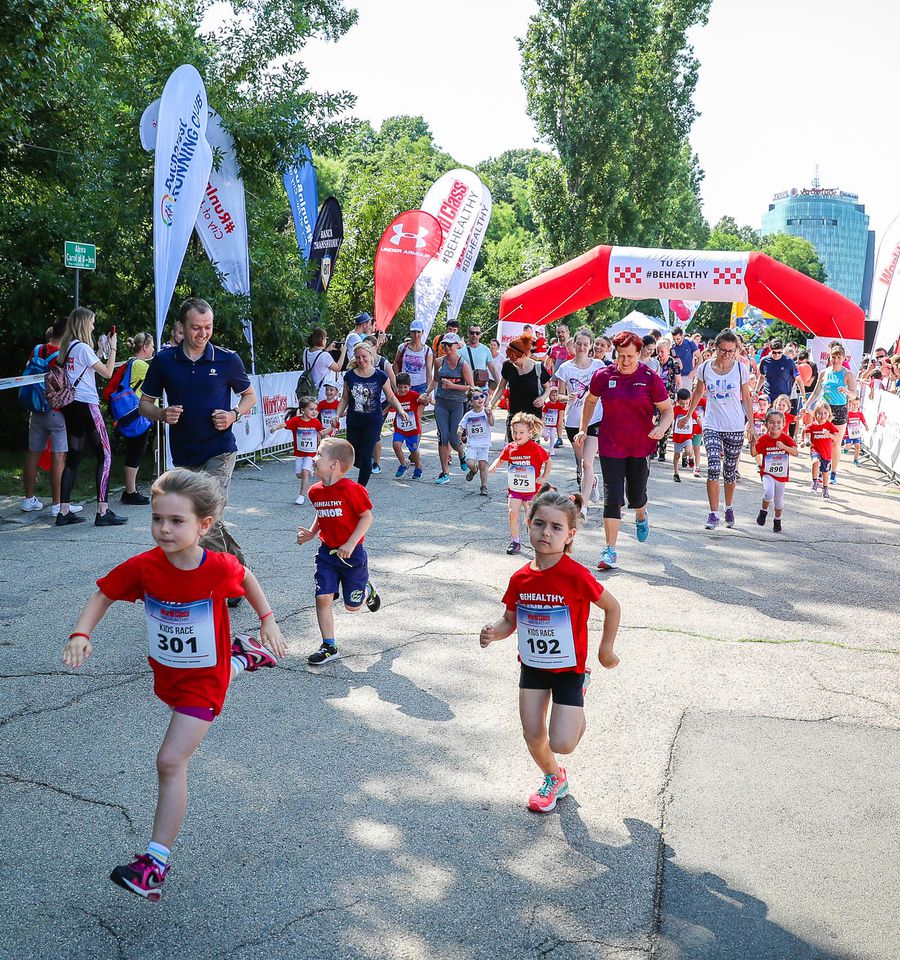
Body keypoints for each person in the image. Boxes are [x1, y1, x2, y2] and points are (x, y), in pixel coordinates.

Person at [62, 468, 285, 900]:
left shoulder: (218, 567)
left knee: (169, 761)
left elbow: (246, 577)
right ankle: (245, 657)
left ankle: (154, 864)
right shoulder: (144, 567)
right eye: (157, 518)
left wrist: (268, 619)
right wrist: (81, 633)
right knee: (213, 682)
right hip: (169, 675)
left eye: (176, 521)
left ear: (204, 526)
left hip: (202, 684)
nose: (163, 529)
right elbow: (104, 594)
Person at [479, 487, 621, 814]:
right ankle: (554, 778)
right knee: (532, 735)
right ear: (527, 524)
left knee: (563, 743)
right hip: (533, 667)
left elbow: (612, 608)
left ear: (569, 536)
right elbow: (509, 621)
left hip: (570, 670)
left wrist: (606, 650)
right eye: (540, 524)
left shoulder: (576, 575)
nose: (546, 533)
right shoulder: (520, 578)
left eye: (556, 528)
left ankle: (579, 695)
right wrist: (492, 633)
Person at [140, 298, 255, 571]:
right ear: (181, 326)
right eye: (196, 328)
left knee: (205, 515)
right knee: (204, 519)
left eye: (208, 327)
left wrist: (233, 415)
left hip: (220, 450)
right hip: (185, 453)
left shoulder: (227, 359)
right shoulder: (164, 360)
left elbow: (249, 396)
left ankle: (220, 581)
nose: (202, 334)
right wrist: (161, 414)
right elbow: (145, 403)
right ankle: (239, 570)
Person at [576, 331, 673, 570]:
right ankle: (610, 550)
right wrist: (583, 428)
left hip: (641, 445)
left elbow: (668, 410)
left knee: (636, 495)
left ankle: (641, 513)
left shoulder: (650, 377)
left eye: (630, 356)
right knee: (613, 497)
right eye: (621, 356)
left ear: (639, 354)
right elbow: (590, 400)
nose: (625, 361)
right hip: (611, 444)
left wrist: (661, 427)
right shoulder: (603, 375)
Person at [296, 438, 382, 665]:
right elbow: (323, 513)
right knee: (322, 597)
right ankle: (329, 645)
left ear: (333, 464)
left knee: (352, 607)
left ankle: (366, 587)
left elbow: (367, 517)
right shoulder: (315, 492)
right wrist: (312, 533)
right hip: (327, 554)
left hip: (352, 556)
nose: (313, 459)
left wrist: (352, 543)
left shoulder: (354, 490)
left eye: (317, 455)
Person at [56, 307, 127, 527]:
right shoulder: (83, 348)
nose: (94, 327)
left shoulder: (67, 348)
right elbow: (106, 373)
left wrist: (98, 350)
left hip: (71, 406)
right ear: (84, 324)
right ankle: (102, 510)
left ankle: (64, 511)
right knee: (105, 455)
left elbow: (84, 369)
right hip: (87, 404)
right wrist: (113, 348)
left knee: (74, 457)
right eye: (92, 323)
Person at [683, 329, 754, 530]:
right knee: (713, 467)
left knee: (729, 471)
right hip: (712, 423)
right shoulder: (705, 367)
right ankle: (713, 513)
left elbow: (746, 399)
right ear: (715, 347)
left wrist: (752, 425)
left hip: (734, 425)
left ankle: (728, 507)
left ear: (736, 350)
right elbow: (697, 392)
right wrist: (688, 415)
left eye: (731, 351)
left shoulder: (740, 369)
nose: (727, 354)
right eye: (723, 350)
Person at [20, 318, 79, 518]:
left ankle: (28, 499)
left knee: (33, 453)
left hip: (36, 409)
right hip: (57, 411)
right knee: (59, 455)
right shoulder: (62, 354)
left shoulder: (38, 349)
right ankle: (57, 504)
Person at [336, 340, 405, 487]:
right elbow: (344, 398)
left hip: (373, 421)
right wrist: (337, 414)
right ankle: (366, 467)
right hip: (354, 421)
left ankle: (361, 489)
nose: (361, 360)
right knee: (354, 456)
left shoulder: (380, 375)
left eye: (364, 356)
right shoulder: (349, 376)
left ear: (370, 356)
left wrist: (400, 409)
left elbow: (391, 396)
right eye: (358, 357)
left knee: (367, 456)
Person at [552, 330, 605, 501]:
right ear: (573, 344)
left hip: (595, 419)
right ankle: (593, 481)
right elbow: (558, 396)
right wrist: (568, 397)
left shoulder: (598, 365)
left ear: (590, 347)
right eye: (579, 343)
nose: (582, 347)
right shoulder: (565, 368)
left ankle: (583, 506)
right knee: (583, 462)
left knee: (587, 463)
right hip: (573, 422)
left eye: (585, 344)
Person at [489, 412, 551, 555]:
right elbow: (501, 458)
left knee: (531, 518)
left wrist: (544, 477)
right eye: (514, 432)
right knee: (512, 513)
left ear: (530, 432)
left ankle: (536, 542)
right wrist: (494, 465)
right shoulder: (510, 447)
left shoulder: (535, 448)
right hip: (515, 489)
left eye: (521, 432)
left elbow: (548, 461)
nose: (517, 435)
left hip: (532, 490)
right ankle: (515, 541)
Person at [805, 343, 857, 485]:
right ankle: (823, 469)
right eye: (833, 357)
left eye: (839, 357)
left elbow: (854, 395)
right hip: (824, 410)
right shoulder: (824, 372)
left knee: (835, 442)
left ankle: (833, 472)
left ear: (844, 358)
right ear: (829, 357)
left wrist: (846, 392)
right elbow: (816, 392)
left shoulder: (847, 374)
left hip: (839, 409)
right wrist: (806, 404)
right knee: (821, 439)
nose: (836, 360)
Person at [271, 396, 330, 505]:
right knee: (299, 475)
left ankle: (301, 496)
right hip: (299, 454)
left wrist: (332, 427)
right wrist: (275, 428)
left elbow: (322, 433)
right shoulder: (296, 421)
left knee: (304, 471)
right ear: (302, 410)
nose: (314, 412)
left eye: (315, 409)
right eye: (311, 409)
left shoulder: (315, 422)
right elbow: (284, 424)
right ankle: (309, 472)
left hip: (311, 453)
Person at [119, 332, 156, 506]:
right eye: (152, 346)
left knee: (134, 451)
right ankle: (130, 491)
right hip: (138, 413)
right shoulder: (140, 364)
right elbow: (159, 377)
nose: (154, 349)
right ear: (145, 347)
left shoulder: (130, 362)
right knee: (136, 451)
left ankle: (130, 490)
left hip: (132, 413)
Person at [432, 332, 474, 485]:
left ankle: (461, 453)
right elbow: (435, 380)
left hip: (457, 404)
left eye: (450, 344)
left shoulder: (463, 364)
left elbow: (471, 387)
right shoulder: (438, 362)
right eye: (445, 344)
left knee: (454, 438)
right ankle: (445, 472)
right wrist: (426, 393)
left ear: (457, 345)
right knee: (442, 436)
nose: (447, 347)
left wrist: (453, 386)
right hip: (441, 403)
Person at [491, 335, 550, 441]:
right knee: (514, 450)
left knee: (532, 451)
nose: (512, 361)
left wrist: (543, 398)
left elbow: (548, 388)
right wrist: (491, 404)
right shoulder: (508, 366)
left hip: (533, 417)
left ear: (524, 355)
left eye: (514, 358)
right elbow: (501, 387)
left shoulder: (538, 367)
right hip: (515, 416)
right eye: (509, 357)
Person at [751, 410, 797, 533]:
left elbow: (795, 452)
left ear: (783, 424)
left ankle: (777, 519)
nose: (775, 425)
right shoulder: (764, 439)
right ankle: (763, 511)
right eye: (771, 422)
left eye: (778, 422)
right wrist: (752, 443)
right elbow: (754, 453)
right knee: (768, 492)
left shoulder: (786, 439)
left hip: (781, 475)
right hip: (767, 473)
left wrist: (784, 447)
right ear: (766, 424)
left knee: (779, 502)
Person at [391, 372, 428, 479]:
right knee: (396, 445)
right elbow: (390, 405)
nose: (402, 390)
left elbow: (424, 403)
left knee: (413, 450)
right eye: (400, 387)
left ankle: (418, 467)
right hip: (400, 428)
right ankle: (403, 464)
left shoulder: (413, 395)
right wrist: (382, 412)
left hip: (412, 429)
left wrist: (424, 399)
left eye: (405, 387)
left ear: (410, 386)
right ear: (396, 386)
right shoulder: (395, 396)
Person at [458, 388, 495, 495]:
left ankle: (484, 486)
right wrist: (459, 430)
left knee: (483, 465)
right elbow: (461, 424)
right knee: (469, 462)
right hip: (472, 444)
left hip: (484, 444)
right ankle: (474, 470)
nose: (479, 399)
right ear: (470, 402)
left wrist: (489, 415)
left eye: (481, 396)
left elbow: (491, 423)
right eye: (476, 397)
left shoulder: (486, 412)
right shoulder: (469, 415)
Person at [757, 339, 805, 410]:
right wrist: (756, 390)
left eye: (779, 352)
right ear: (770, 350)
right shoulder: (765, 361)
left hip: (783, 399)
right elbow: (762, 377)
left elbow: (798, 380)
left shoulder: (789, 362)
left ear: (782, 351)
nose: (777, 355)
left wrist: (803, 396)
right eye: (774, 352)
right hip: (768, 397)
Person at [655, 338, 682, 464]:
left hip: (668, 395)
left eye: (662, 351)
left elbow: (678, 381)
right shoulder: (655, 362)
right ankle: (652, 449)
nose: (660, 354)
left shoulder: (673, 363)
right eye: (658, 351)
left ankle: (662, 450)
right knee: (654, 421)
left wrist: (679, 396)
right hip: (654, 395)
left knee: (665, 423)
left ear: (668, 351)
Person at [803, 402, 839, 498]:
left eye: (825, 413)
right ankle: (814, 482)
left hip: (826, 453)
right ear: (815, 414)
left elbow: (837, 438)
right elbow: (804, 430)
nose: (822, 416)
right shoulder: (813, 425)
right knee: (815, 462)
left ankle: (825, 488)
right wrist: (805, 440)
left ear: (829, 414)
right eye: (820, 413)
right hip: (815, 450)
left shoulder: (829, 426)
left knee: (825, 472)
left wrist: (829, 435)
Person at [302, 328, 348, 400]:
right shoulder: (325, 355)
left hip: (309, 391)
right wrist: (343, 352)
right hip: (323, 393)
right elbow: (337, 368)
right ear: (321, 339)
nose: (326, 341)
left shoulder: (306, 351)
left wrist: (326, 350)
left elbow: (317, 359)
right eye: (325, 338)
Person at [393, 320, 434, 395]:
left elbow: (429, 371)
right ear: (410, 333)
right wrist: (397, 378)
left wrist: (428, 390)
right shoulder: (403, 347)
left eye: (418, 332)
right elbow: (395, 362)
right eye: (413, 332)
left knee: (419, 406)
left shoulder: (427, 350)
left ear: (422, 333)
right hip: (404, 385)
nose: (416, 335)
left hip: (421, 385)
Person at [670, 388, 698, 483]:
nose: (684, 406)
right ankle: (676, 473)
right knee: (676, 455)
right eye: (682, 403)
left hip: (687, 436)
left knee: (689, 450)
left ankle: (687, 456)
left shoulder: (691, 410)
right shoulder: (675, 410)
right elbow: (669, 418)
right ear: (678, 401)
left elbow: (697, 419)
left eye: (687, 403)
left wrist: (704, 429)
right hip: (678, 436)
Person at [462, 323, 498, 393]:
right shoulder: (460, 350)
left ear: (480, 335)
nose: (474, 335)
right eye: (472, 333)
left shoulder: (486, 349)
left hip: (481, 390)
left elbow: (493, 369)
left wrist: (500, 385)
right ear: (468, 334)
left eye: (477, 333)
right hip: (465, 389)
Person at [541, 386, 567, 456]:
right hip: (546, 424)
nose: (555, 397)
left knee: (552, 436)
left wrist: (559, 422)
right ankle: (546, 436)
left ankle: (551, 449)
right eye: (553, 395)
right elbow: (543, 413)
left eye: (556, 395)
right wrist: (542, 420)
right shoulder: (547, 405)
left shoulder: (559, 405)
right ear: (549, 396)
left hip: (554, 424)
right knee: (543, 434)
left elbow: (561, 414)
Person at [844, 396, 868, 466]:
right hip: (848, 433)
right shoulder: (848, 414)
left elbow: (863, 421)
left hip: (856, 433)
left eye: (857, 404)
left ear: (859, 404)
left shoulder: (860, 414)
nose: (855, 406)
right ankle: (845, 449)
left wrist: (866, 426)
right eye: (853, 404)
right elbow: (845, 423)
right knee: (848, 446)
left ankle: (855, 460)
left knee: (857, 446)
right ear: (850, 404)